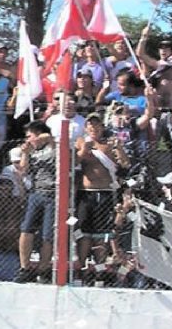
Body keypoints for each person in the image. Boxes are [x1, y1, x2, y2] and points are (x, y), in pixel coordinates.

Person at [74, 113, 130, 271]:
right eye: (90, 125)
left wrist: (118, 148)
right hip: (86, 193)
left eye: (97, 125)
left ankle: (99, 271)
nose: (94, 128)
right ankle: (80, 269)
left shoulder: (109, 144)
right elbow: (74, 162)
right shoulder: (80, 142)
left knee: (102, 234)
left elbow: (125, 164)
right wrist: (84, 149)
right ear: (86, 128)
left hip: (106, 193)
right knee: (84, 232)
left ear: (102, 127)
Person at [14, 121, 56, 284]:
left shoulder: (52, 146)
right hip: (36, 192)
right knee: (26, 230)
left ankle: (43, 270)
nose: (27, 139)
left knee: (47, 236)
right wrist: (25, 153)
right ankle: (24, 268)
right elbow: (23, 171)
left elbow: (54, 143)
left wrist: (44, 137)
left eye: (29, 135)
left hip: (53, 194)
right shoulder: (32, 151)